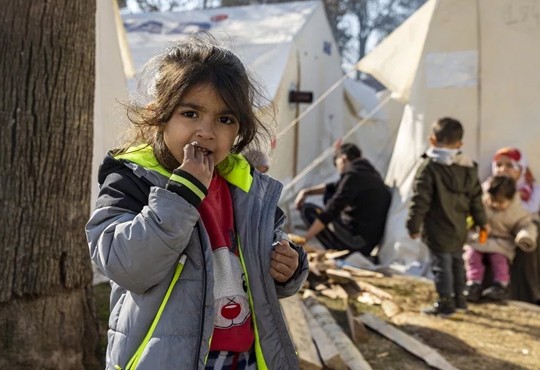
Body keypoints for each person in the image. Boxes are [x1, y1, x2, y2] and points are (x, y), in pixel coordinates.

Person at [85, 34, 308, 370]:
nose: (207, 131)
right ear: (159, 116)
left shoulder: (245, 188)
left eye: (225, 119)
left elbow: (272, 250)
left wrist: (289, 268)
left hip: (243, 358)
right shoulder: (132, 179)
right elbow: (126, 265)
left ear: (239, 131)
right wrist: (183, 194)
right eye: (191, 113)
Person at [406, 117, 488, 316]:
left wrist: (413, 225)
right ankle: (460, 301)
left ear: (432, 140)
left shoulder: (429, 167)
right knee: (457, 262)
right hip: (459, 226)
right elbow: (476, 199)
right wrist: (481, 223)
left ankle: (445, 303)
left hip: (437, 227)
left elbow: (420, 200)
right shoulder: (468, 167)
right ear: (460, 143)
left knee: (441, 266)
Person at [294, 142, 391, 258]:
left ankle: (338, 253)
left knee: (308, 210)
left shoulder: (353, 176)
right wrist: (306, 192)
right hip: (368, 242)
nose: (338, 170)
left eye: (337, 164)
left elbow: (331, 210)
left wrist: (304, 238)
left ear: (343, 158)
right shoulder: (369, 173)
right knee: (329, 195)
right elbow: (335, 187)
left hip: (357, 243)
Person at [464, 175, 537, 302]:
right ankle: (473, 283)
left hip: (501, 242)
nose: (495, 205)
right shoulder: (479, 203)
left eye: (501, 203)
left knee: (499, 260)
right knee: (472, 256)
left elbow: (525, 224)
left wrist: (525, 236)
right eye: (491, 200)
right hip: (479, 238)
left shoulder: (517, 210)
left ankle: (500, 285)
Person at [488, 147, 540, 303]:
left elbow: (529, 213)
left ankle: (530, 294)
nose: (503, 169)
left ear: (520, 169)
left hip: (522, 231)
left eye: (510, 165)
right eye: (499, 165)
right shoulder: (489, 188)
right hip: (496, 232)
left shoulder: (531, 191)